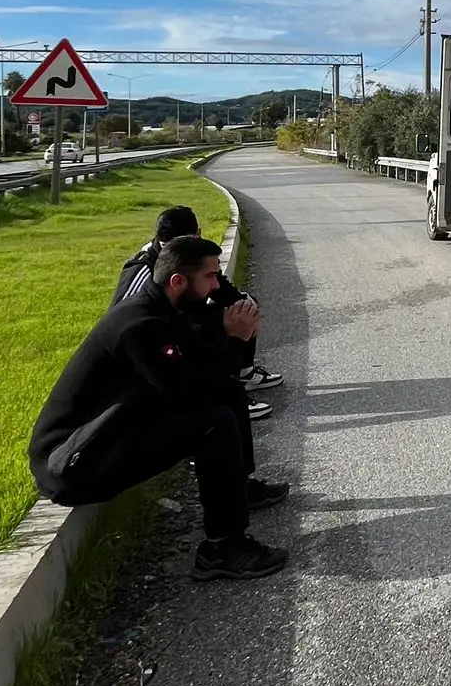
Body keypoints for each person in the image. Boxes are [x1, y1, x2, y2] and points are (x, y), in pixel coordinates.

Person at [31, 236, 289, 581]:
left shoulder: (168, 307)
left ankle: (239, 487)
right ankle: (221, 548)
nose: (216, 285)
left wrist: (237, 316)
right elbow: (191, 393)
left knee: (227, 391)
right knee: (214, 421)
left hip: (112, 431)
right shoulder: (140, 326)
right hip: (76, 461)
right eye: (210, 277)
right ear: (178, 281)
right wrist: (234, 340)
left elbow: (205, 370)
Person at [114, 206, 285, 410]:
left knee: (240, 309)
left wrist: (246, 306)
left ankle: (243, 376)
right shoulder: (142, 270)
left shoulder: (194, 258)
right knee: (212, 329)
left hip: (178, 321)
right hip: (153, 343)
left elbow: (219, 288)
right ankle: (224, 390)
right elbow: (124, 319)